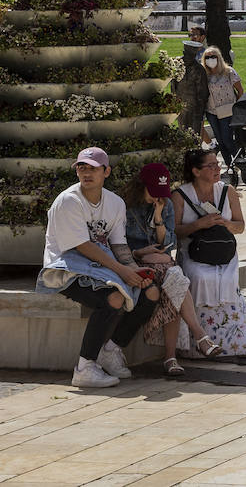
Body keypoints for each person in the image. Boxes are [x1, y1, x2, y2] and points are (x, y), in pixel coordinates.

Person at [36, 147, 162, 387]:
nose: (86, 173)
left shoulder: (115, 203)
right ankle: (84, 368)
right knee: (114, 299)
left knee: (151, 291)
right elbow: (83, 247)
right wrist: (124, 272)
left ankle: (111, 350)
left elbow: (118, 244)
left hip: (103, 267)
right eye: (82, 168)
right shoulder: (68, 201)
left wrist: (134, 270)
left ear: (106, 172)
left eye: (93, 168)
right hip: (67, 268)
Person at [122, 162, 221, 376]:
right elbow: (117, 246)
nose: (157, 197)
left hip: (164, 266)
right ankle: (197, 338)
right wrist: (139, 253)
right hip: (136, 265)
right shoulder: (124, 208)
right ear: (141, 186)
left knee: (174, 283)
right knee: (175, 282)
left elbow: (169, 243)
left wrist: (158, 217)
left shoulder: (164, 205)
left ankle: (173, 357)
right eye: (152, 191)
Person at [172, 148, 246, 356]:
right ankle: (198, 343)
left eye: (217, 164)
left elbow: (241, 226)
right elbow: (175, 233)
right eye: (210, 166)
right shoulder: (180, 195)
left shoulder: (228, 191)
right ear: (196, 171)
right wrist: (199, 224)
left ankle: (234, 342)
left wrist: (224, 223)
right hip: (194, 252)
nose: (217, 169)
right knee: (200, 276)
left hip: (223, 252)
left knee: (227, 278)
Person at [201, 46, 243, 167]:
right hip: (211, 111)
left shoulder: (229, 72)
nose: (211, 59)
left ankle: (239, 163)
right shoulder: (204, 74)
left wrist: (237, 108)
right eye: (207, 57)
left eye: (213, 56)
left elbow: (240, 90)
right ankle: (230, 166)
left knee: (227, 140)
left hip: (228, 111)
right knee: (220, 141)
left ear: (219, 57)